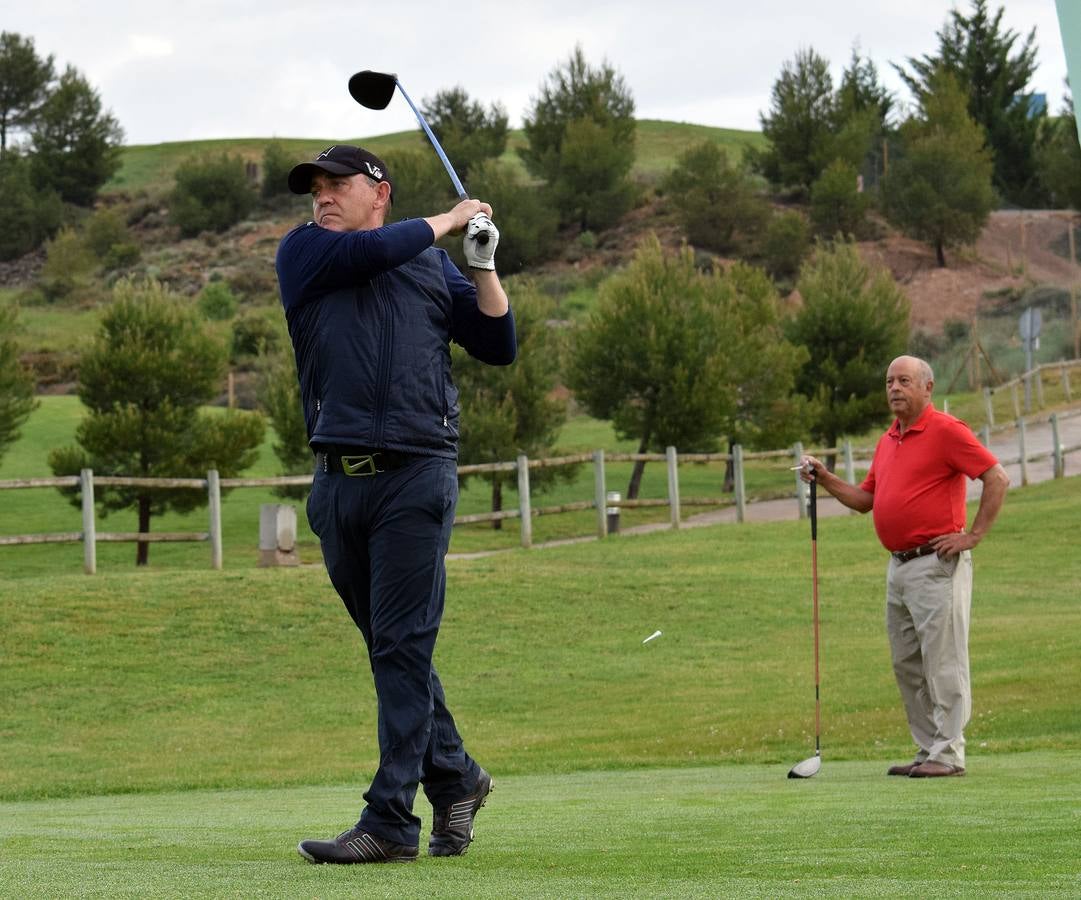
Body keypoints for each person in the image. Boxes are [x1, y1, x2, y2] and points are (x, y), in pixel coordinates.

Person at [275, 145, 516, 863]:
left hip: (416, 473)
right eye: (314, 188)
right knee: (393, 650)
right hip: (337, 481)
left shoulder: (427, 263)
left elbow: (496, 342)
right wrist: (448, 216)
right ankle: (457, 777)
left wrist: (481, 262)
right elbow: (380, 249)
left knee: (401, 646)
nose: (320, 197)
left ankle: (389, 821)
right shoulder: (307, 254)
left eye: (335, 184)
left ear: (377, 190)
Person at [800, 355, 1008, 778]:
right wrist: (824, 478)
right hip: (898, 568)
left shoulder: (947, 431)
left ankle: (949, 755)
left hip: (937, 563)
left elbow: (996, 477)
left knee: (943, 661)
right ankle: (928, 749)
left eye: (905, 381)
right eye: (889, 381)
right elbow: (865, 500)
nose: (894, 388)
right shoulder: (888, 440)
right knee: (907, 663)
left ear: (927, 388)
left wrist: (973, 536)